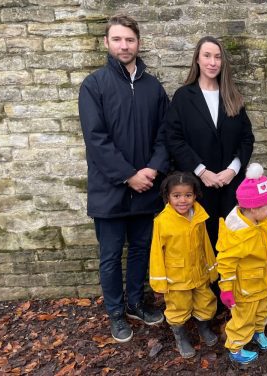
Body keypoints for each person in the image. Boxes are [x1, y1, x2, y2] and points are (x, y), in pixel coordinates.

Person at [78, 14, 168, 342]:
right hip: (110, 191)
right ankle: (116, 313)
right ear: (107, 43)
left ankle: (135, 303)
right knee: (111, 256)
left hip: (147, 188)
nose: (124, 45)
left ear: (138, 43)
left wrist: (153, 170)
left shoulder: (153, 87)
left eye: (129, 39)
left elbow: (165, 134)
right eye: (117, 39)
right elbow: (96, 139)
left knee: (141, 250)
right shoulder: (94, 86)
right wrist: (128, 175)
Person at [166, 35, 255, 247]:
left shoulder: (233, 96)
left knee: (230, 248)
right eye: (207, 56)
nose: (212, 62)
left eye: (217, 57)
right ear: (197, 59)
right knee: (201, 247)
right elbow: (174, 139)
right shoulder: (183, 97)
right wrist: (202, 172)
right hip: (196, 188)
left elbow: (246, 138)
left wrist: (232, 170)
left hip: (230, 187)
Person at [216, 163, 267, 367]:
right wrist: (226, 289)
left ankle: (257, 333)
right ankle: (235, 347)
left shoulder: (259, 224)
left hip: (261, 281)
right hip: (244, 287)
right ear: (253, 208)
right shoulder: (237, 234)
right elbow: (225, 263)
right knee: (243, 318)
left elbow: (262, 246)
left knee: (262, 311)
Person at [149, 172, 219, 358]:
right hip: (176, 277)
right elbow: (156, 253)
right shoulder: (162, 221)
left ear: (195, 195)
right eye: (176, 196)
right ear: (168, 197)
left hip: (199, 272)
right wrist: (159, 281)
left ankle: (203, 328)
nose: (182, 200)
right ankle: (181, 337)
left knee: (205, 302)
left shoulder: (199, 216)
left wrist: (212, 270)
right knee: (178, 307)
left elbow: (206, 244)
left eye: (188, 195)